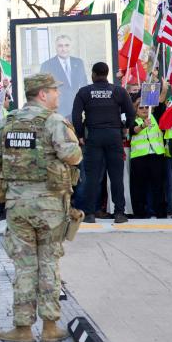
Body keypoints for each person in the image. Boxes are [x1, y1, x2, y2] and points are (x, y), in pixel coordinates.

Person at [0, 73, 83, 342]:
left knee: (25, 266)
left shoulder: (8, 121)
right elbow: (73, 156)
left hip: (18, 204)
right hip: (50, 204)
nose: (57, 95)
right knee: (49, 262)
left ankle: (23, 329)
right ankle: (50, 327)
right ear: (42, 94)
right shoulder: (54, 122)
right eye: (54, 91)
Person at [71, 62, 135, 223]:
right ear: (107, 74)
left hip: (93, 136)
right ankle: (119, 214)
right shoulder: (118, 91)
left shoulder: (84, 92)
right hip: (114, 136)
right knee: (116, 176)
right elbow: (131, 113)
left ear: (93, 74)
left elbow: (76, 116)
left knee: (91, 177)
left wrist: (80, 135)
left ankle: (90, 214)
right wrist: (126, 127)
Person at [129, 95, 167, 218]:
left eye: (146, 107)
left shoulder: (155, 117)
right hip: (139, 158)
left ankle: (160, 213)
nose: (145, 109)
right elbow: (132, 130)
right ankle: (140, 213)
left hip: (156, 156)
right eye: (141, 108)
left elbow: (161, 102)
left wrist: (163, 88)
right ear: (136, 109)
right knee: (139, 187)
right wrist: (142, 126)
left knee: (158, 186)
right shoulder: (133, 120)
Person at [39, 34, 88, 117]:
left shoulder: (79, 62)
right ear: (56, 47)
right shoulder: (46, 65)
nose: (64, 49)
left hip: (77, 109)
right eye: (60, 46)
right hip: (57, 112)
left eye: (66, 45)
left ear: (71, 47)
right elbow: (42, 90)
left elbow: (84, 84)